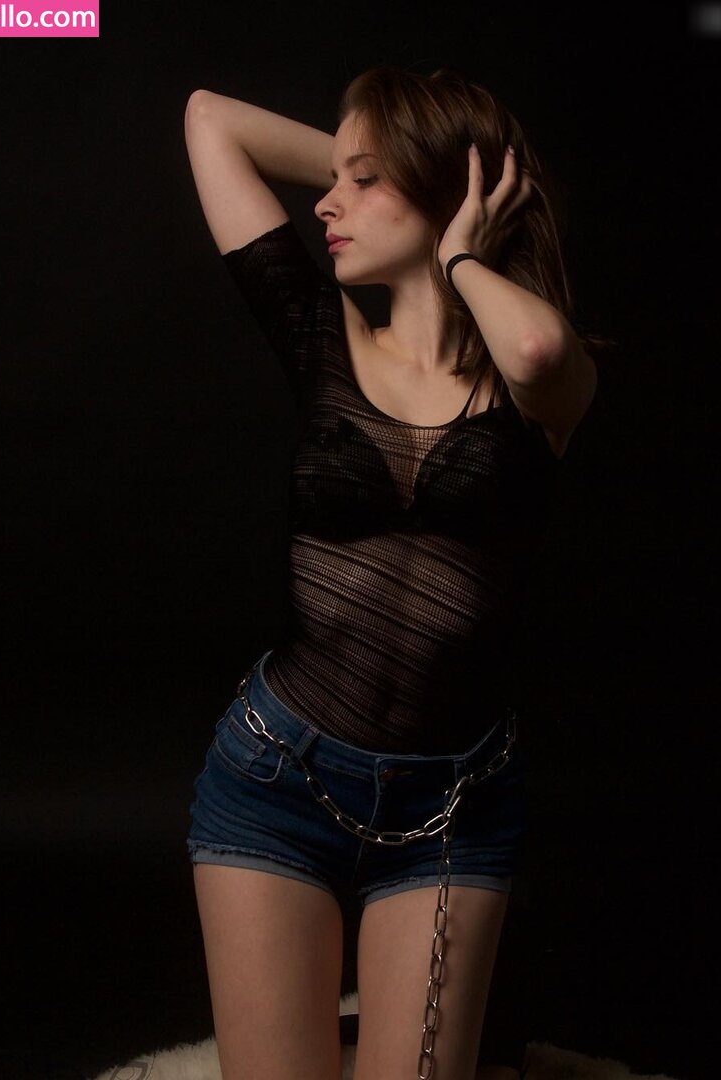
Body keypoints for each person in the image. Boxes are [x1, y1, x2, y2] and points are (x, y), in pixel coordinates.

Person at [182, 63, 597, 1080]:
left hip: (454, 808)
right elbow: (211, 120)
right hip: (278, 774)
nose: (326, 200)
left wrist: (456, 246)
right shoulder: (320, 334)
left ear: (445, 190)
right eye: (336, 175)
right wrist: (375, 163)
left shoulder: (538, 385)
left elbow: (536, 345)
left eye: (362, 180)